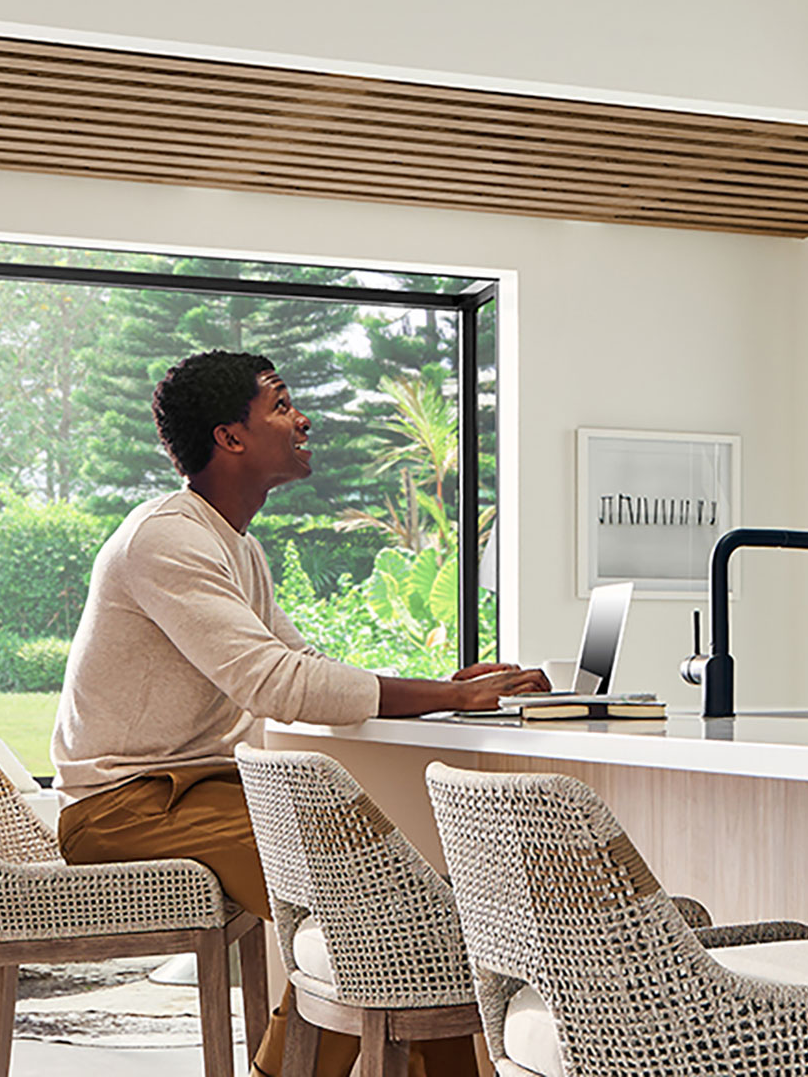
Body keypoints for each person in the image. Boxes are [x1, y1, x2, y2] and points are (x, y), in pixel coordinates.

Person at [51, 350, 548, 1077]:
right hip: (125, 807)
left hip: (194, 791)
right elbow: (276, 683)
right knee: (382, 916)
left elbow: (301, 666)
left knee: (397, 914)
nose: (302, 418)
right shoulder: (167, 538)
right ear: (232, 438)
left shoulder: (232, 545)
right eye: (281, 405)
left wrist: (445, 685)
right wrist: (451, 698)